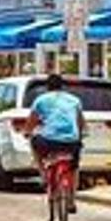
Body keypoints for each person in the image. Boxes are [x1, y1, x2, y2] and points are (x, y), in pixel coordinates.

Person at [24, 73, 84, 211]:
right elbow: (80, 122)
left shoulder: (41, 100)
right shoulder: (74, 100)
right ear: (62, 86)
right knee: (74, 168)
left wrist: (27, 132)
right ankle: (71, 200)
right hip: (71, 142)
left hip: (49, 141)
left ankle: (43, 175)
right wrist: (79, 136)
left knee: (34, 143)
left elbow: (31, 122)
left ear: (47, 87)